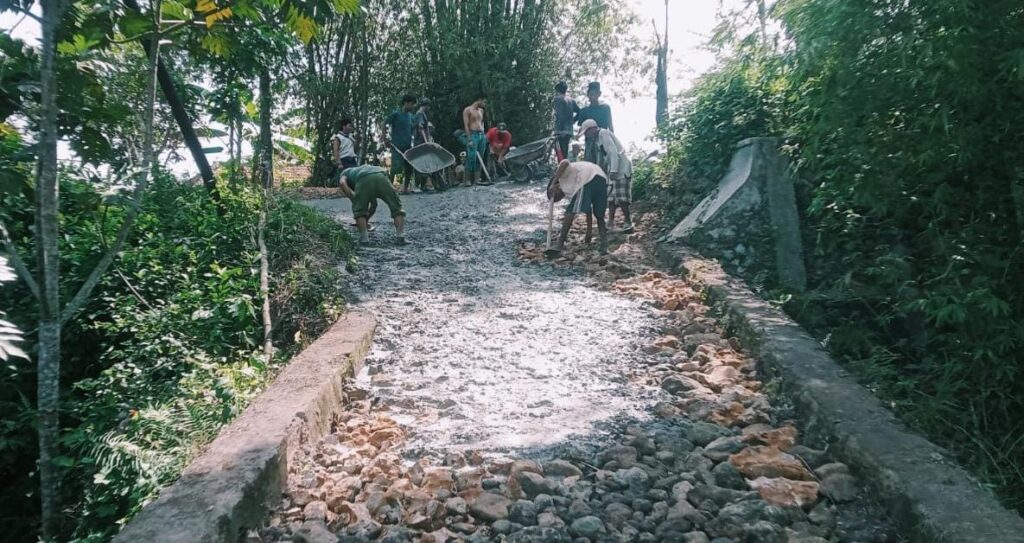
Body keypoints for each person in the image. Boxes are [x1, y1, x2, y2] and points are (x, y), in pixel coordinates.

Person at [579, 119, 634, 232]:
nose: (586, 135)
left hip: (621, 168)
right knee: (611, 199)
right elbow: (603, 158)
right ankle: (610, 222)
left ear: (592, 129)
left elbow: (612, 152)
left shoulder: (603, 133)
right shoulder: (597, 140)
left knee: (621, 197)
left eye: (586, 132)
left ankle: (628, 221)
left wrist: (613, 170)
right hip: (611, 170)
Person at [546, 159, 609, 256]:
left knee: (570, 211)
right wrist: (589, 231)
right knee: (599, 214)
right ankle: (604, 246)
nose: (558, 199)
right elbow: (588, 209)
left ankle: (559, 244)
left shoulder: (562, 177)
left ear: (556, 187)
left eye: (556, 197)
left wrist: (553, 183)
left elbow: (565, 162)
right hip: (601, 177)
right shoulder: (570, 189)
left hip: (587, 177)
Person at [338, 164, 408, 246]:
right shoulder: (362, 169)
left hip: (364, 179)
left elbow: (342, 183)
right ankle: (400, 237)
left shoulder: (344, 173)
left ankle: (364, 239)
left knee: (359, 210)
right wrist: (366, 221)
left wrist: (353, 199)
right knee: (396, 207)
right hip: (381, 176)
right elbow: (373, 205)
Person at [384, 94, 417, 194]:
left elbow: (412, 129)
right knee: (395, 167)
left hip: (407, 146)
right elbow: (384, 123)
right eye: (411, 104)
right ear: (406, 103)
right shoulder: (396, 114)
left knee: (409, 168)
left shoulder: (411, 117)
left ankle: (405, 188)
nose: (412, 107)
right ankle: (388, 189)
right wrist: (385, 139)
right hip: (397, 146)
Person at [462, 94, 489, 186]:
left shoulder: (481, 110)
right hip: (473, 135)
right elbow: (466, 125)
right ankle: (467, 180)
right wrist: (469, 138)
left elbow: (482, 122)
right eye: (484, 102)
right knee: (471, 156)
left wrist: (484, 133)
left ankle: (477, 179)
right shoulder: (467, 110)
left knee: (480, 157)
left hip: (481, 135)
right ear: (479, 100)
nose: (485, 104)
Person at [552, 81, 579, 161]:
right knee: (565, 153)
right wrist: (572, 121)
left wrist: (560, 130)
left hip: (560, 131)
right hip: (568, 131)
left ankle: (563, 171)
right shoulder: (571, 100)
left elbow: (559, 115)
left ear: (557, 90)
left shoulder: (557, 99)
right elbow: (580, 112)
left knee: (560, 155)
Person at [411, 97, 435, 192]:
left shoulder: (419, 114)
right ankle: (417, 185)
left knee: (423, 163)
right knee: (421, 163)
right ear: (427, 106)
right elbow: (421, 128)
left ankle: (423, 184)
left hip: (419, 142)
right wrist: (426, 141)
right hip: (420, 143)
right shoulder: (420, 114)